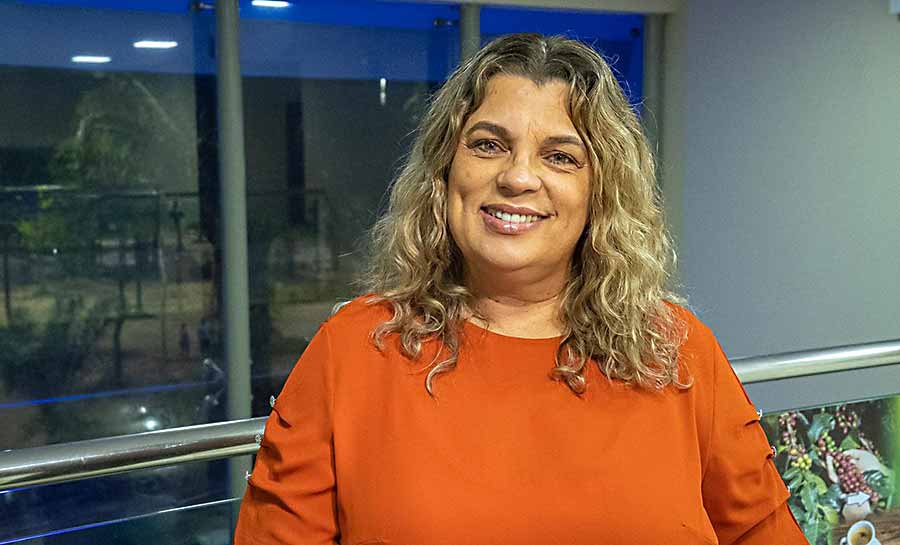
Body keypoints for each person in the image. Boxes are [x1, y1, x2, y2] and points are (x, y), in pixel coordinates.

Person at [234, 34, 808, 544]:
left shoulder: (678, 352)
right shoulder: (354, 350)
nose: (518, 177)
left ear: (601, 194)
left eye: (560, 156)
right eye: (488, 144)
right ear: (445, 172)